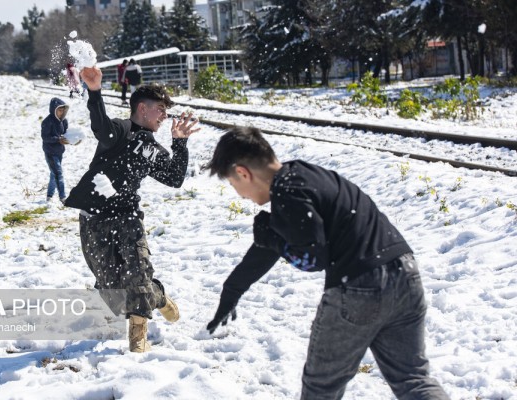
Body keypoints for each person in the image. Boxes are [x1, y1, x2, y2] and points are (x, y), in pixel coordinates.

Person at [205, 127, 450, 400]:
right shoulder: (305, 176)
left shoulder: (287, 192)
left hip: (359, 287)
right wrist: (233, 289)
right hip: (405, 274)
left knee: (320, 389)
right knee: (413, 379)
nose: (240, 195)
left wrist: (275, 241)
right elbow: (270, 246)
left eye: (232, 183)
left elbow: (311, 259)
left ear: (242, 173)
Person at [64, 66, 200, 353]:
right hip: (95, 217)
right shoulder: (119, 132)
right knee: (111, 289)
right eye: (161, 109)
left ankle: (138, 338)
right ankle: (159, 297)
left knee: (137, 273)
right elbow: (100, 125)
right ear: (142, 108)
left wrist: (180, 144)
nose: (165, 116)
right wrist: (95, 90)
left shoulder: (150, 148)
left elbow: (174, 178)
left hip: (127, 216)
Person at [41, 97, 69, 203]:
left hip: (59, 151)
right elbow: (45, 137)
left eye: (63, 110)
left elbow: (66, 134)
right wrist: (58, 139)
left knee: (54, 174)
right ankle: (63, 198)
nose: (61, 112)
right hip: (50, 152)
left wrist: (73, 140)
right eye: (59, 109)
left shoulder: (64, 121)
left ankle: (49, 195)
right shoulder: (47, 122)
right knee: (58, 173)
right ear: (54, 109)